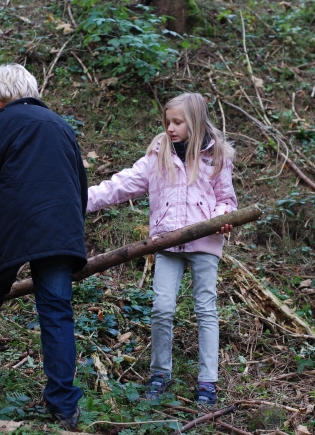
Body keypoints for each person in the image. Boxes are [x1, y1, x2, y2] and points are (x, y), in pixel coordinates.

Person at [0, 63, 88, 430]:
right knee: (56, 311)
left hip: (9, 229)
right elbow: (80, 188)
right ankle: (63, 404)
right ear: (33, 90)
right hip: (58, 229)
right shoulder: (62, 127)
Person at [86, 92, 237, 405]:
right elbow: (119, 185)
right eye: (168, 121)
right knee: (162, 308)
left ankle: (208, 381)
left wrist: (222, 218)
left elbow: (226, 200)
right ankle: (160, 373)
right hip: (166, 243)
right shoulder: (158, 156)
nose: (170, 128)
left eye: (178, 122)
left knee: (205, 310)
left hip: (205, 243)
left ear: (194, 123)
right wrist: (78, 201)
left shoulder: (216, 156)